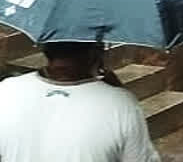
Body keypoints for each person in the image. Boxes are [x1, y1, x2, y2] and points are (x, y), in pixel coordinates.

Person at [0, 42, 159, 162]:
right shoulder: (121, 104)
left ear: (45, 50)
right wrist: (119, 94)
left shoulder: (6, 89)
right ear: (95, 55)